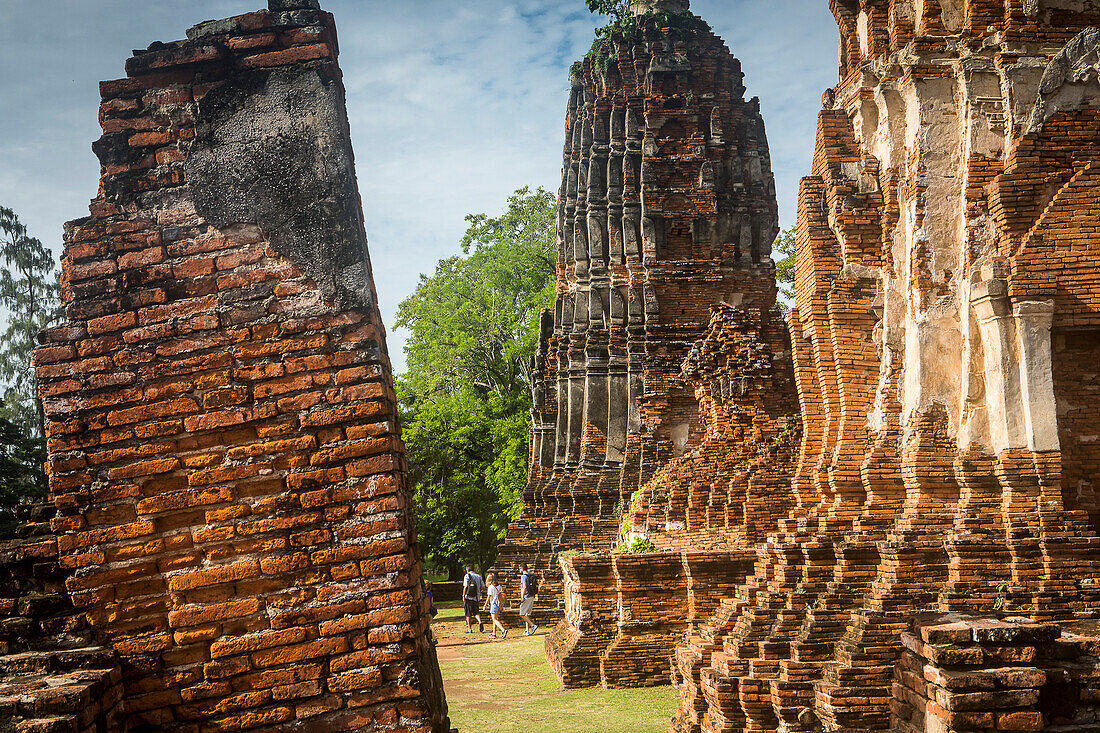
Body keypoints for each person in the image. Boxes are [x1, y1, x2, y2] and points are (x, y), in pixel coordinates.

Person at [484, 573, 508, 639]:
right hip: (499, 603)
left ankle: (503, 630)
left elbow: (489, 597)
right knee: (495, 619)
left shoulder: (490, 587)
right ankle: (494, 633)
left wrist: (485, 605)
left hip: (494, 603)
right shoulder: (499, 586)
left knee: (494, 619)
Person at [462, 564, 485, 634]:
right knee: (476, 612)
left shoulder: (467, 576)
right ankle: (480, 621)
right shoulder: (479, 576)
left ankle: (469, 628)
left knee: (468, 613)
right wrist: (478, 591)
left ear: (467, 570)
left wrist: (463, 596)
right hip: (476, 597)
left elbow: (465, 587)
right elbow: (483, 586)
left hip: (468, 597)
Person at [518, 563, 539, 636]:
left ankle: (533, 625)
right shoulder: (530, 575)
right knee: (527, 614)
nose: (519, 570)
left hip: (526, 596)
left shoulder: (523, 576)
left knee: (522, 614)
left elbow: (524, 587)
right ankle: (527, 630)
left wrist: (522, 597)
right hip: (532, 596)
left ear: (522, 568)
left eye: (520, 568)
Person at [425, 581, 438, 645]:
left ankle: (434, 638)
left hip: (427, 611)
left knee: (427, 626)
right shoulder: (430, 593)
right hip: (431, 610)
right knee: (428, 625)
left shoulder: (425, 595)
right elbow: (431, 603)